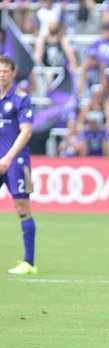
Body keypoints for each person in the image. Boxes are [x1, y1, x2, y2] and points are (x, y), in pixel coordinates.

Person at [0, 56, 37, 275]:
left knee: (22, 208)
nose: (2, 74)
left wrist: (8, 158)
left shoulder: (21, 98)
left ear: (13, 73)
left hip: (15, 162)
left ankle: (29, 263)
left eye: (5, 70)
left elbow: (26, 131)